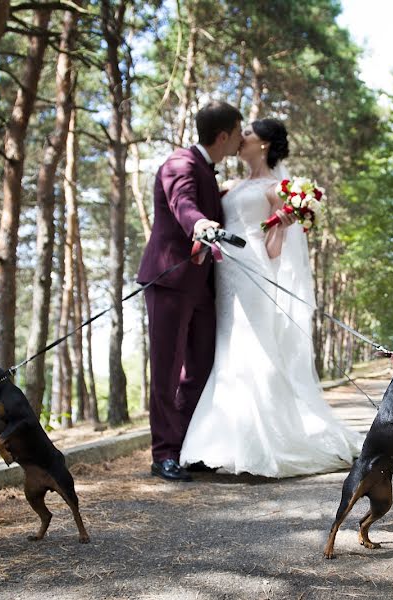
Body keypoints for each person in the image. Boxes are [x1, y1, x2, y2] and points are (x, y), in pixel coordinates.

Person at [180, 118, 363, 477]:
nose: (241, 138)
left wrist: (284, 221)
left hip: (254, 271)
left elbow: (275, 249)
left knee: (255, 347)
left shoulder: (276, 188)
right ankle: (220, 446)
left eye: (248, 134)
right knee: (228, 348)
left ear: (263, 145)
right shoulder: (230, 185)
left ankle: (263, 445)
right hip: (224, 272)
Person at [138, 101, 243, 482]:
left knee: (200, 366)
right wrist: (199, 224)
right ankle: (163, 453)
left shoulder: (206, 171)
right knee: (166, 370)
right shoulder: (179, 163)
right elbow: (183, 203)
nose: (242, 139)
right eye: (239, 132)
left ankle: (187, 446)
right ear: (223, 136)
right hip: (169, 279)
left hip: (202, 287)